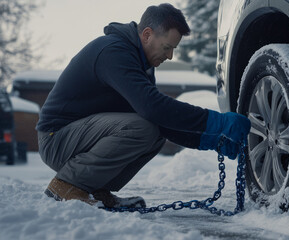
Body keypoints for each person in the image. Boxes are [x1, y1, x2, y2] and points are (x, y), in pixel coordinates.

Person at [36, 3, 250, 208]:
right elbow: (153, 108)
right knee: (143, 128)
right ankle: (68, 186)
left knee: (153, 130)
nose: (170, 56)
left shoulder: (141, 63)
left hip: (81, 136)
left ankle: (94, 189)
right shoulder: (113, 52)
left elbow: (160, 118)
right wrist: (218, 122)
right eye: (167, 47)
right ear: (147, 34)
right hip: (57, 138)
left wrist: (211, 141)